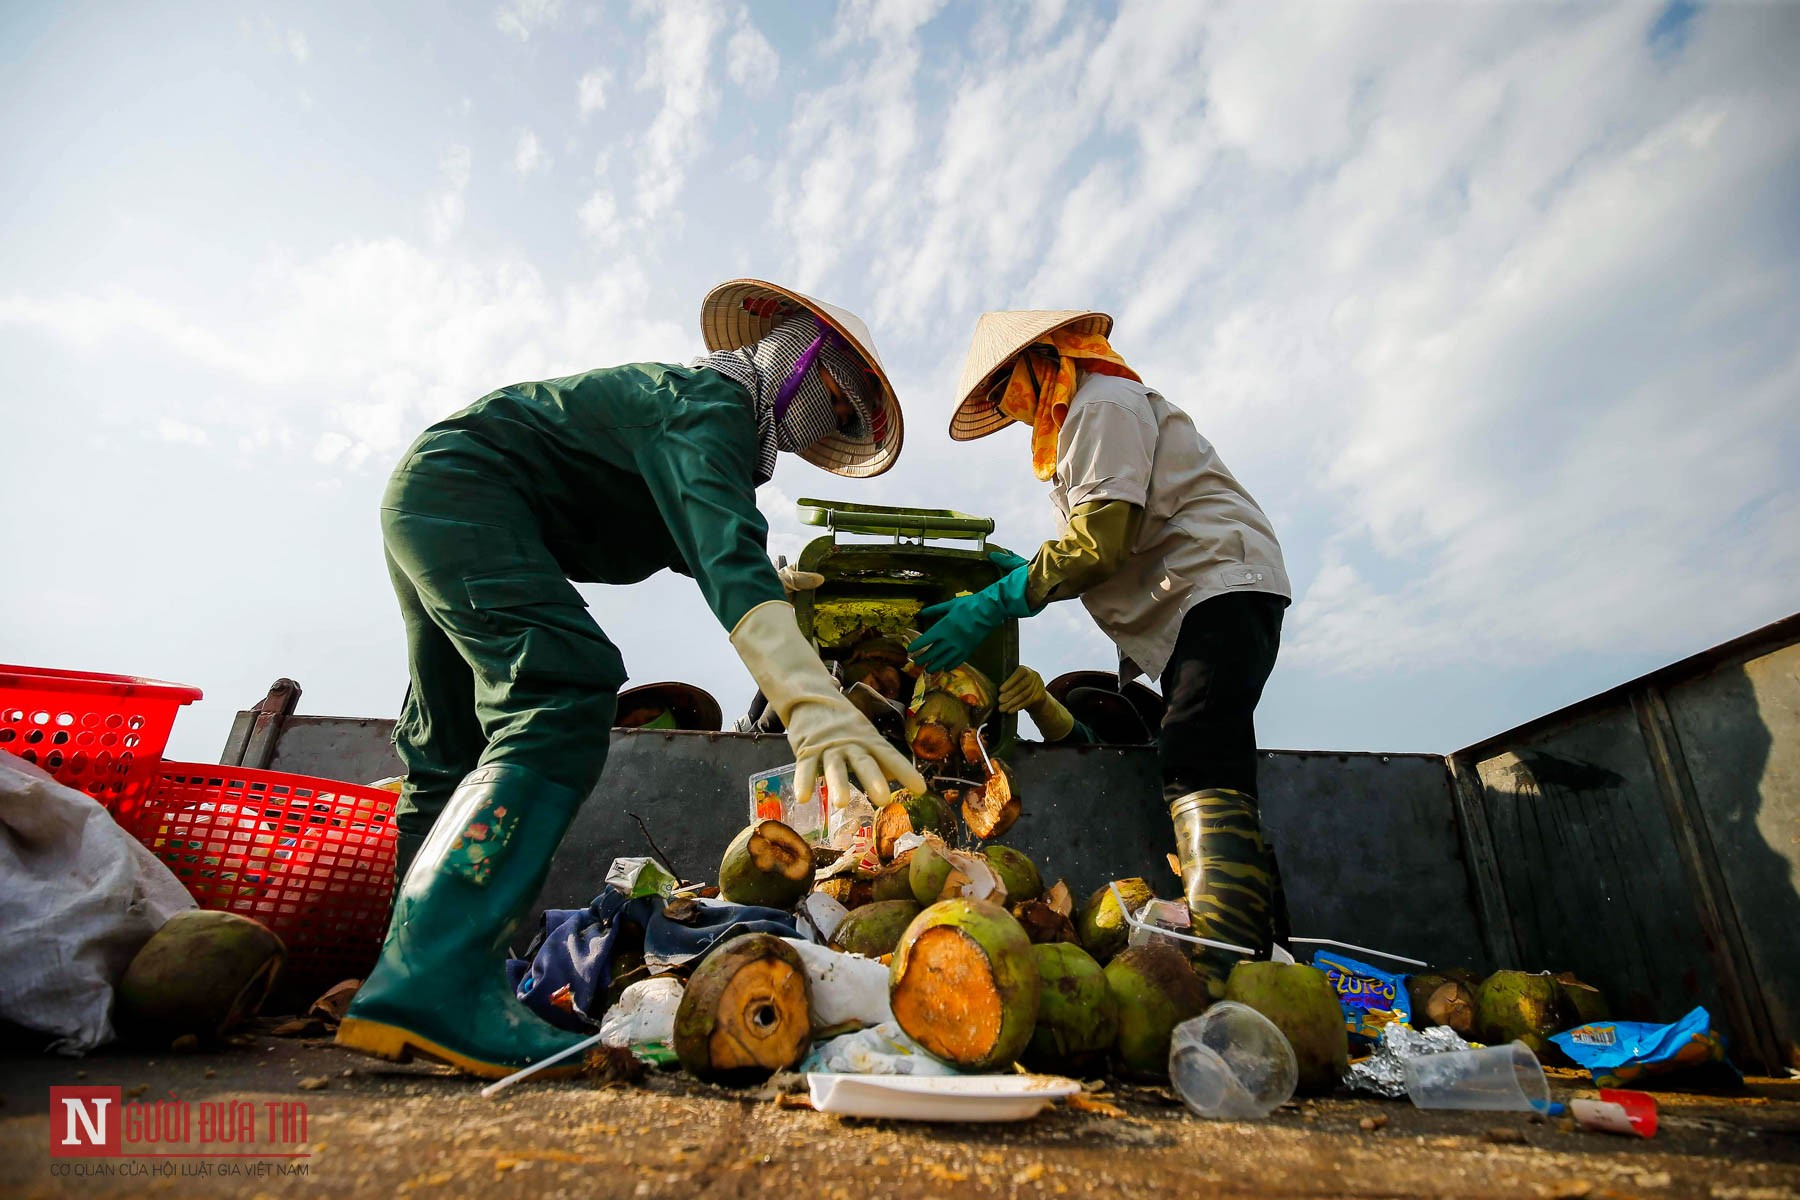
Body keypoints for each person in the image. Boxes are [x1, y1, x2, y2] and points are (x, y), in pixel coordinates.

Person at [336, 279, 926, 1078]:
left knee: (448, 746)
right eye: (842, 404)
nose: (836, 425)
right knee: (563, 684)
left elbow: (711, 539)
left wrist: (771, 580)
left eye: (849, 425)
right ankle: (439, 976)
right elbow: (723, 558)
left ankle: (405, 982)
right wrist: (811, 701)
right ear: (800, 356)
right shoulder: (705, 404)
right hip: (472, 492)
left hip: (436, 493)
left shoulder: (693, 426)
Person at [910, 309, 1289, 991]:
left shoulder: (1101, 404)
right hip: (1194, 602)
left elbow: (1098, 545)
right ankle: (1258, 946)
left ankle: (1226, 962)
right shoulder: (1085, 419)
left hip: (1216, 586)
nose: (1007, 408)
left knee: (1198, 750)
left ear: (1039, 361)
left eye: (1003, 389)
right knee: (1214, 757)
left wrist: (994, 600)